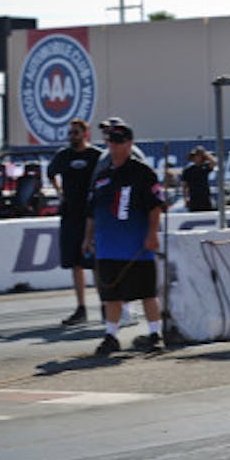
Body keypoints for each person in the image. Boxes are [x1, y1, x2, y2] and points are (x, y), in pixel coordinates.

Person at [82, 122, 167, 356]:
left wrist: (152, 234)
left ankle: (154, 333)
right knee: (111, 296)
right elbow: (92, 211)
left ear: (129, 144)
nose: (115, 146)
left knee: (147, 293)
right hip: (108, 246)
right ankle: (111, 335)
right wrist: (88, 238)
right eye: (111, 142)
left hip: (137, 245)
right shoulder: (102, 176)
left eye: (119, 142)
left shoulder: (143, 172)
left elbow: (155, 206)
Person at [47, 118, 102, 326]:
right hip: (70, 215)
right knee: (75, 263)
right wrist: (60, 192)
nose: (72, 137)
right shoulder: (63, 155)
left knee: (95, 262)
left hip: (90, 214)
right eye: (70, 133)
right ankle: (81, 308)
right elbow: (51, 173)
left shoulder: (95, 155)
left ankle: (106, 305)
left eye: (76, 133)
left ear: (85, 134)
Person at [181, 146, 217, 211]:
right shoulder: (188, 170)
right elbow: (184, 186)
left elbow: (214, 163)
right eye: (195, 156)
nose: (196, 157)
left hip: (205, 197)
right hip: (193, 198)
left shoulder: (205, 167)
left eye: (198, 156)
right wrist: (185, 199)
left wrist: (205, 153)